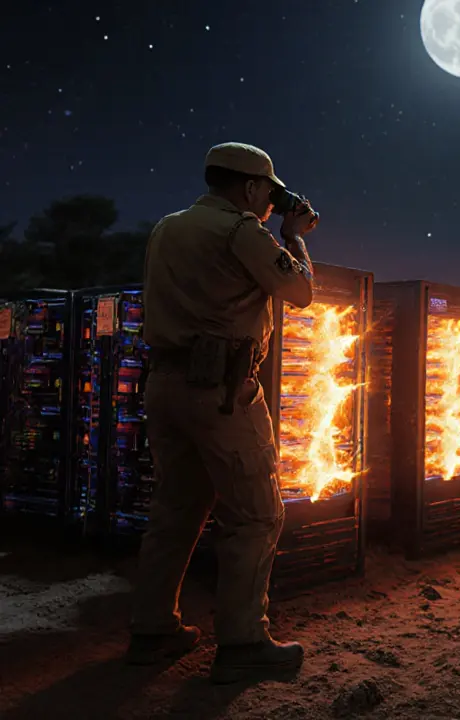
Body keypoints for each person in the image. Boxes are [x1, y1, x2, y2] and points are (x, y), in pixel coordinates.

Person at [126, 142, 319, 684]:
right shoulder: (242, 232)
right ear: (253, 188)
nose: (269, 204)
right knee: (256, 514)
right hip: (222, 389)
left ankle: (152, 631)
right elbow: (299, 291)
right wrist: (295, 236)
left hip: (164, 384)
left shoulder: (167, 227)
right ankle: (243, 641)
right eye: (268, 194)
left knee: (176, 510)